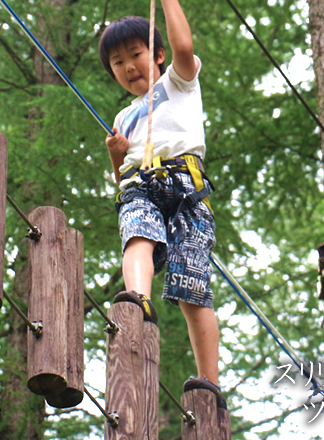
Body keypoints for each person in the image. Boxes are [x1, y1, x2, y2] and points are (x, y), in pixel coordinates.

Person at [99, 0, 225, 407]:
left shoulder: (178, 83)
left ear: (157, 55)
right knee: (138, 232)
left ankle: (210, 380)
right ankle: (138, 299)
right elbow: (120, 178)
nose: (129, 66)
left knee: (192, 289)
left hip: (186, 185)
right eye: (118, 62)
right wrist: (117, 154)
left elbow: (184, 47)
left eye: (136, 54)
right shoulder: (123, 117)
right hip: (141, 185)